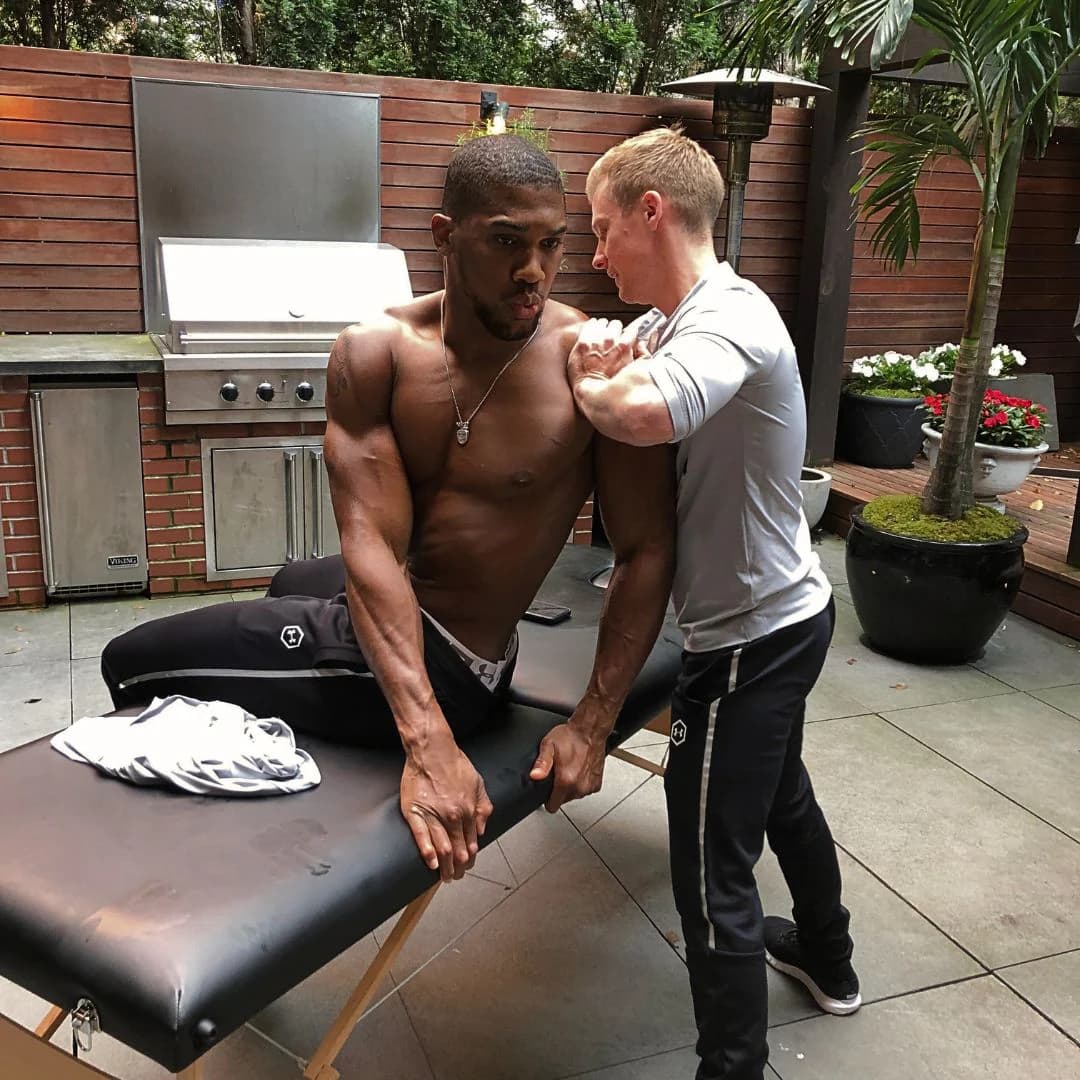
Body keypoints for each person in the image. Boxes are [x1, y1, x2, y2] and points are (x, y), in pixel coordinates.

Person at [102, 134, 676, 885]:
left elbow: (646, 550)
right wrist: (426, 741)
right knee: (291, 578)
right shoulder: (378, 349)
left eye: (549, 244)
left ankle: (197, 871)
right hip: (412, 620)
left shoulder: (592, 369)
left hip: (455, 670)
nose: (532, 271)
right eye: (506, 242)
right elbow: (368, 538)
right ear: (445, 236)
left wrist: (571, 728)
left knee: (130, 660)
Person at [546, 125, 859, 1080]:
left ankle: (734, 1067)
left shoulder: (735, 317)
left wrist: (585, 377)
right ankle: (828, 956)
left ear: (653, 211)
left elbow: (642, 412)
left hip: (748, 641)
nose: (594, 255)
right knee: (780, 796)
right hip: (789, 615)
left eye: (602, 230)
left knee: (707, 868)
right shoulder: (678, 320)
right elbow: (623, 353)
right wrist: (599, 344)